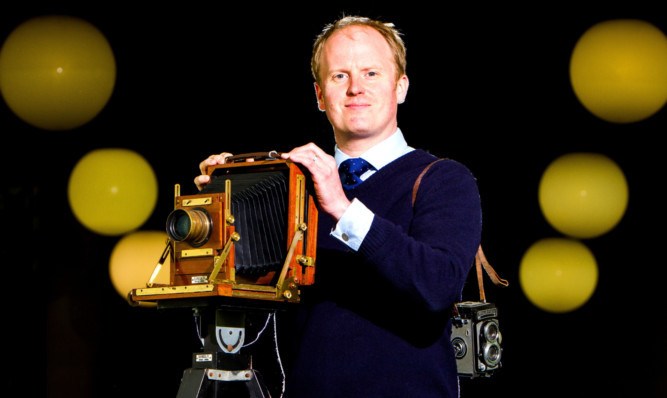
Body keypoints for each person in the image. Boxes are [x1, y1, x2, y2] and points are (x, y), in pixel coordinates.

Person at [196, 16, 482, 398]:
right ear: (319, 95)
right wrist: (215, 233)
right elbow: (242, 332)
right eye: (339, 76)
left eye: (371, 73)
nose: (356, 89)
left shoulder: (443, 179)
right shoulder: (292, 190)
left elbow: (438, 286)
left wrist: (343, 209)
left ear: (401, 87)